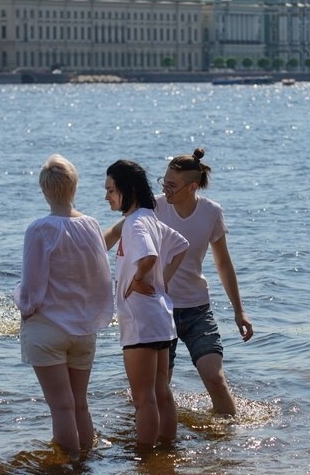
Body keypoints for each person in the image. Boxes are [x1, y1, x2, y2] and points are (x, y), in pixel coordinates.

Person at [117, 147, 253, 416]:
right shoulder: (152, 208)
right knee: (157, 390)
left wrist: (239, 311)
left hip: (197, 310)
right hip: (158, 310)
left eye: (172, 185)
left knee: (215, 378)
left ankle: (230, 444)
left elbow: (223, 263)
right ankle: (155, 446)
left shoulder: (211, 213)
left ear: (192, 187)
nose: (165, 189)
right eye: (163, 182)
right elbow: (118, 231)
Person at [14, 154, 114, 461]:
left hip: (48, 328)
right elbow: (100, 277)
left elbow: (32, 288)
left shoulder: (39, 230)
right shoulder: (92, 225)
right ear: (75, 187)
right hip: (84, 329)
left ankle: (68, 465)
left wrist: (22, 306)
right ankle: (86, 462)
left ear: (45, 190)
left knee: (60, 406)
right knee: (79, 403)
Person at [104, 159, 189, 450]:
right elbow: (181, 246)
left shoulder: (135, 223)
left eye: (111, 190)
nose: (107, 197)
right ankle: (167, 449)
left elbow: (149, 256)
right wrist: (161, 283)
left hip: (140, 318)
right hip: (160, 317)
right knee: (161, 393)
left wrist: (142, 277)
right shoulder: (150, 218)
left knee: (143, 399)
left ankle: (145, 457)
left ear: (127, 190)